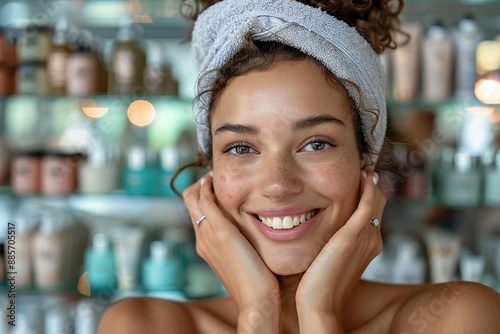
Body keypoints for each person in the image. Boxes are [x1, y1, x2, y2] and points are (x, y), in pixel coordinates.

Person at [98, 1, 500, 333]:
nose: (277, 185)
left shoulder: (460, 318)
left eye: (316, 144)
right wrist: (257, 313)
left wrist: (320, 314)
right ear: (210, 177)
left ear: (366, 159)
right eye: (241, 148)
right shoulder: (141, 325)